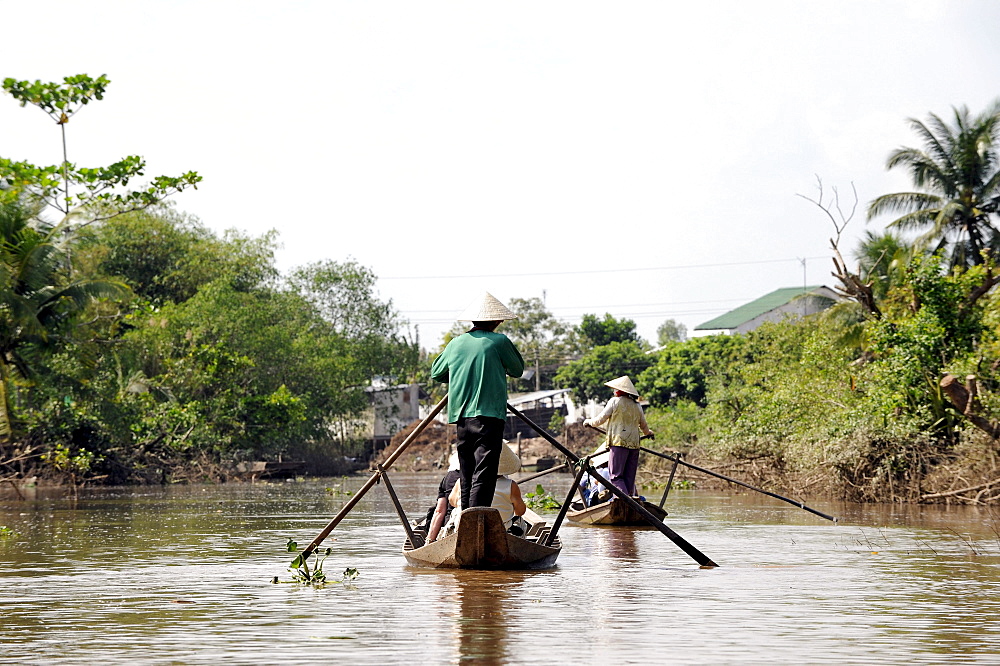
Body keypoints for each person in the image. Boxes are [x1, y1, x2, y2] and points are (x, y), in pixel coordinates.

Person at [430, 292, 524, 513]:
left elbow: (437, 373)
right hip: (488, 415)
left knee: (467, 469)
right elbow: (517, 370)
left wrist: (461, 373)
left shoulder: (455, 343)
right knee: (485, 470)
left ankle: (465, 516)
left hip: (461, 416)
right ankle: (476, 519)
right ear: (496, 321)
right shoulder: (500, 341)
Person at [583, 375, 653, 498]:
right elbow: (644, 425)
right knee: (629, 477)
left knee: (615, 476)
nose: (614, 392)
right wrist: (648, 433)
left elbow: (600, 419)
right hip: (634, 444)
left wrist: (589, 421)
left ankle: (625, 501)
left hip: (619, 443)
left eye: (615, 390)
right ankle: (631, 498)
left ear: (620, 391)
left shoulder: (615, 402)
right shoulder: (637, 406)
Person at [446, 442, 527, 533]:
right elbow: (520, 511)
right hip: (500, 531)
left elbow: (452, 502)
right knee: (521, 522)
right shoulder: (511, 485)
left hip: (466, 529)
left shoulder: (462, 482)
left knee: (455, 513)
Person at [425, 450, 462, 543]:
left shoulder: (447, 478)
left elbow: (439, 511)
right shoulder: (479, 478)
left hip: (450, 526)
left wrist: (429, 540)